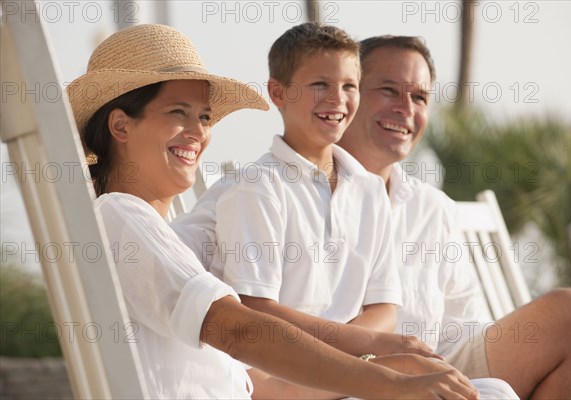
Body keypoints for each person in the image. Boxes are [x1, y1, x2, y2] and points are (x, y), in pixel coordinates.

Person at [66, 23, 480, 400]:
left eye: (205, 116)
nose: (199, 132)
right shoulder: (118, 216)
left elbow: (255, 379)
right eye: (178, 113)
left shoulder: (169, 235)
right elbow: (240, 329)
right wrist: (387, 380)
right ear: (120, 127)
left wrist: (391, 367)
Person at [171, 23, 517, 399]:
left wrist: (365, 356)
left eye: (349, 86)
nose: (337, 98)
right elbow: (256, 310)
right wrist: (375, 351)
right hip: (278, 374)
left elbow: (385, 306)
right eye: (320, 84)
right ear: (278, 92)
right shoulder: (258, 186)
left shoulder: (368, 190)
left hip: (351, 371)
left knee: (496, 391)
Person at [336, 34, 571, 400]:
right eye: (388, 90)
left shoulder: (432, 208)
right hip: (344, 378)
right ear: (347, 94)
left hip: (437, 367)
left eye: (419, 97)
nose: (405, 108)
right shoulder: (299, 193)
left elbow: (464, 327)